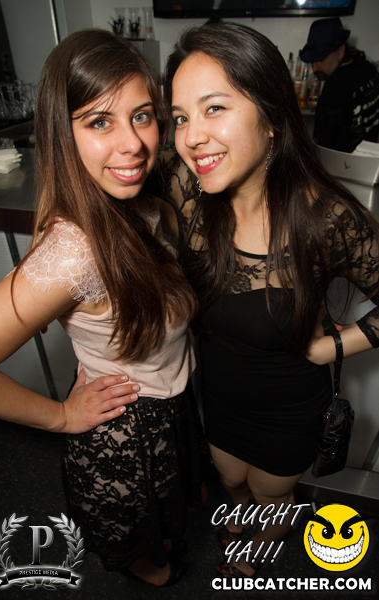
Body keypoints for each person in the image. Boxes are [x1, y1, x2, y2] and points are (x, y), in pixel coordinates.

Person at [0, 29, 208, 586]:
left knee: (173, 520)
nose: (133, 144)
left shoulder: (139, 203)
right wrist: (61, 417)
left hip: (171, 407)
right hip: (125, 432)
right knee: (151, 558)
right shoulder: (75, 250)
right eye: (100, 122)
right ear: (63, 133)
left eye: (142, 116)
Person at [150, 21, 379, 578]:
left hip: (287, 410)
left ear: (272, 115)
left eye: (214, 108)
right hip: (219, 395)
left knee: (269, 495)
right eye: (181, 117)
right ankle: (241, 521)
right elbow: (115, 170)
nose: (190, 137)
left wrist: (332, 348)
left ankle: (263, 542)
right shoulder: (187, 187)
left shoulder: (328, 218)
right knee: (231, 481)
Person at [300, 17, 379, 152]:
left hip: (346, 161)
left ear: (340, 51)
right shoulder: (369, 68)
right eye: (312, 61)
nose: (315, 68)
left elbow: (323, 146)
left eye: (321, 59)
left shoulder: (335, 86)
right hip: (372, 157)